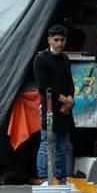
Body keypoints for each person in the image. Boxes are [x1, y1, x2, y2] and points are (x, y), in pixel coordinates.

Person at [34, 24, 75, 184]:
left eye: (62, 40)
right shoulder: (41, 59)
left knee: (63, 145)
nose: (59, 43)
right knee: (47, 142)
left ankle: (62, 178)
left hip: (65, 108)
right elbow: (43, 87)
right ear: (49, 40)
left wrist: (70, 98)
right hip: (50, 106)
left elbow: (70, 82)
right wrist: (64, 99)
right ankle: (44, 178)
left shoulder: (64, 58)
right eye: (56, 40)